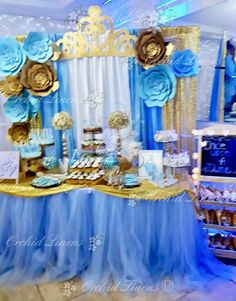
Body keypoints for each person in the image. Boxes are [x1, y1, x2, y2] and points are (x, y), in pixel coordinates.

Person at [225, 40, 236, 108]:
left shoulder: (230, 60)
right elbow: (231, 73)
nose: (234, 53)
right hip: (229, 86)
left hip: (231, 86)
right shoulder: (228, 59)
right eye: (233, 51)